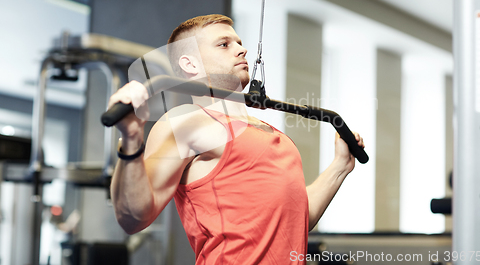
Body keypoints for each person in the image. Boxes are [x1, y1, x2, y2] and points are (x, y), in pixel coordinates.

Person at [109, 14, 364, 264]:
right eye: (224, 44)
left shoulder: (271, 133)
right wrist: (131, 139)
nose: (241, 50)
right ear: (190, 64)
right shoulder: (185, 120)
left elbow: (296, 220)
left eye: (239, 43)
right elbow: (133, 218)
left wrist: (339, 168)